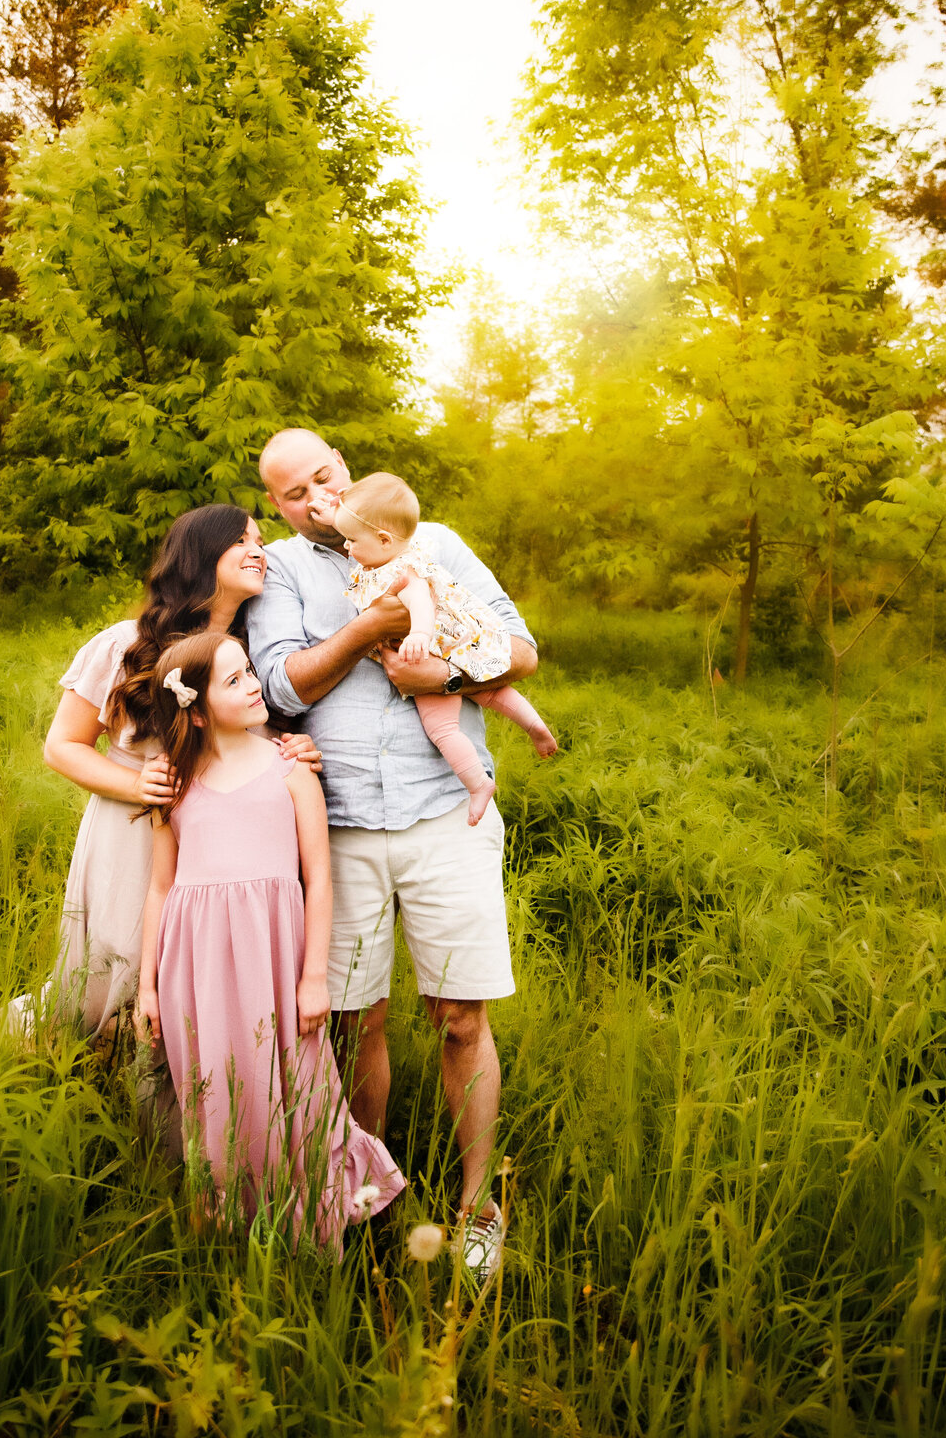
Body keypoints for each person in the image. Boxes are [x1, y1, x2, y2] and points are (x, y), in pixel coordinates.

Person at [247, 429, 539, 1278]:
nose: (317, 499)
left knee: (462, 1017)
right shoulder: (287, 572)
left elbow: (520, 650)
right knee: (354, 1022)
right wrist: (372, 623)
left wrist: (442, 680)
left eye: (324, 478)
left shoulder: (432, 542)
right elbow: (278, 687)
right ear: (279, 506)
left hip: (445, 811)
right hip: (336, 824)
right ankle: (367, 1199)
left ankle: (479, 1205)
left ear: (344, 467)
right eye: (295, 494)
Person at [135, 631, 404, 1248]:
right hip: (196, 966)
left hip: (276, 960)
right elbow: (159, 888)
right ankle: (229, 1230)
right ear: (196, 710)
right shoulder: (173, 784)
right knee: (218, 1094)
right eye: (233, 681)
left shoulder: (291, 769)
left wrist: (315, 977)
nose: (254, 684)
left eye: (250, 671)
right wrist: (148, 985)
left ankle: (315, 1221)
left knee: (298, 1088)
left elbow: (319, 877)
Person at [13, 504, 317, 1039]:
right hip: (132, 830)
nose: (258, 551)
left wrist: (294, 750)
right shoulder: (125, 644)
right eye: (240, 541)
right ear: (200, 554)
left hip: (214, 847)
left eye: (260, 541)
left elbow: (249, 747)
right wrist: (137, 784)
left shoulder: (250, 659)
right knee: (116, 969)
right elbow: (62, 747)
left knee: (192, 978)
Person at [333, 472, 557, 826]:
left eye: (350, 540)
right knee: (490, 692)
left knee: (442, 730)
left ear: (383, 539)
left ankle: (477, 784)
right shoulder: (399, 556)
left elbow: (419, 599)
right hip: (456, 644)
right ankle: (536, 728)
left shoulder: (398, 571)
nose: (346, 547)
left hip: (428, 655)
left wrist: (419, 634)